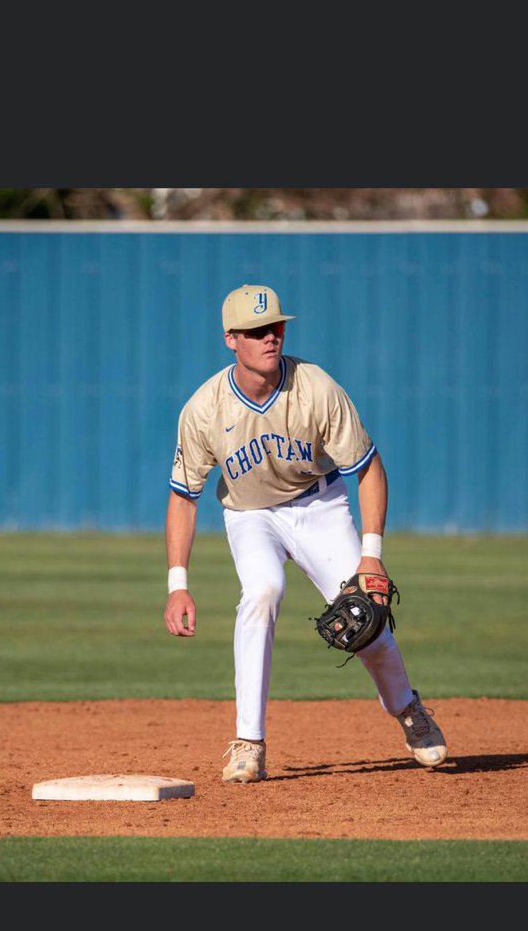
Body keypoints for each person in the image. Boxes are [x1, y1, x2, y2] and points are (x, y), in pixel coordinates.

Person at [163, 283, 448, 783]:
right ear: (231, 339)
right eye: (256, 331)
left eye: (276, 326)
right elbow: (184, 498)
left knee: (365, 615)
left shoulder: (315, 387)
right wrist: (177, 584)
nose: (270, 337)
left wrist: (372, 554)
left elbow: (369, 467)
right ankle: (248, 743)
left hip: (319, 505)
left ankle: (409, 711)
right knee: (262, 592)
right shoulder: (204, 410)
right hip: (251, 515)